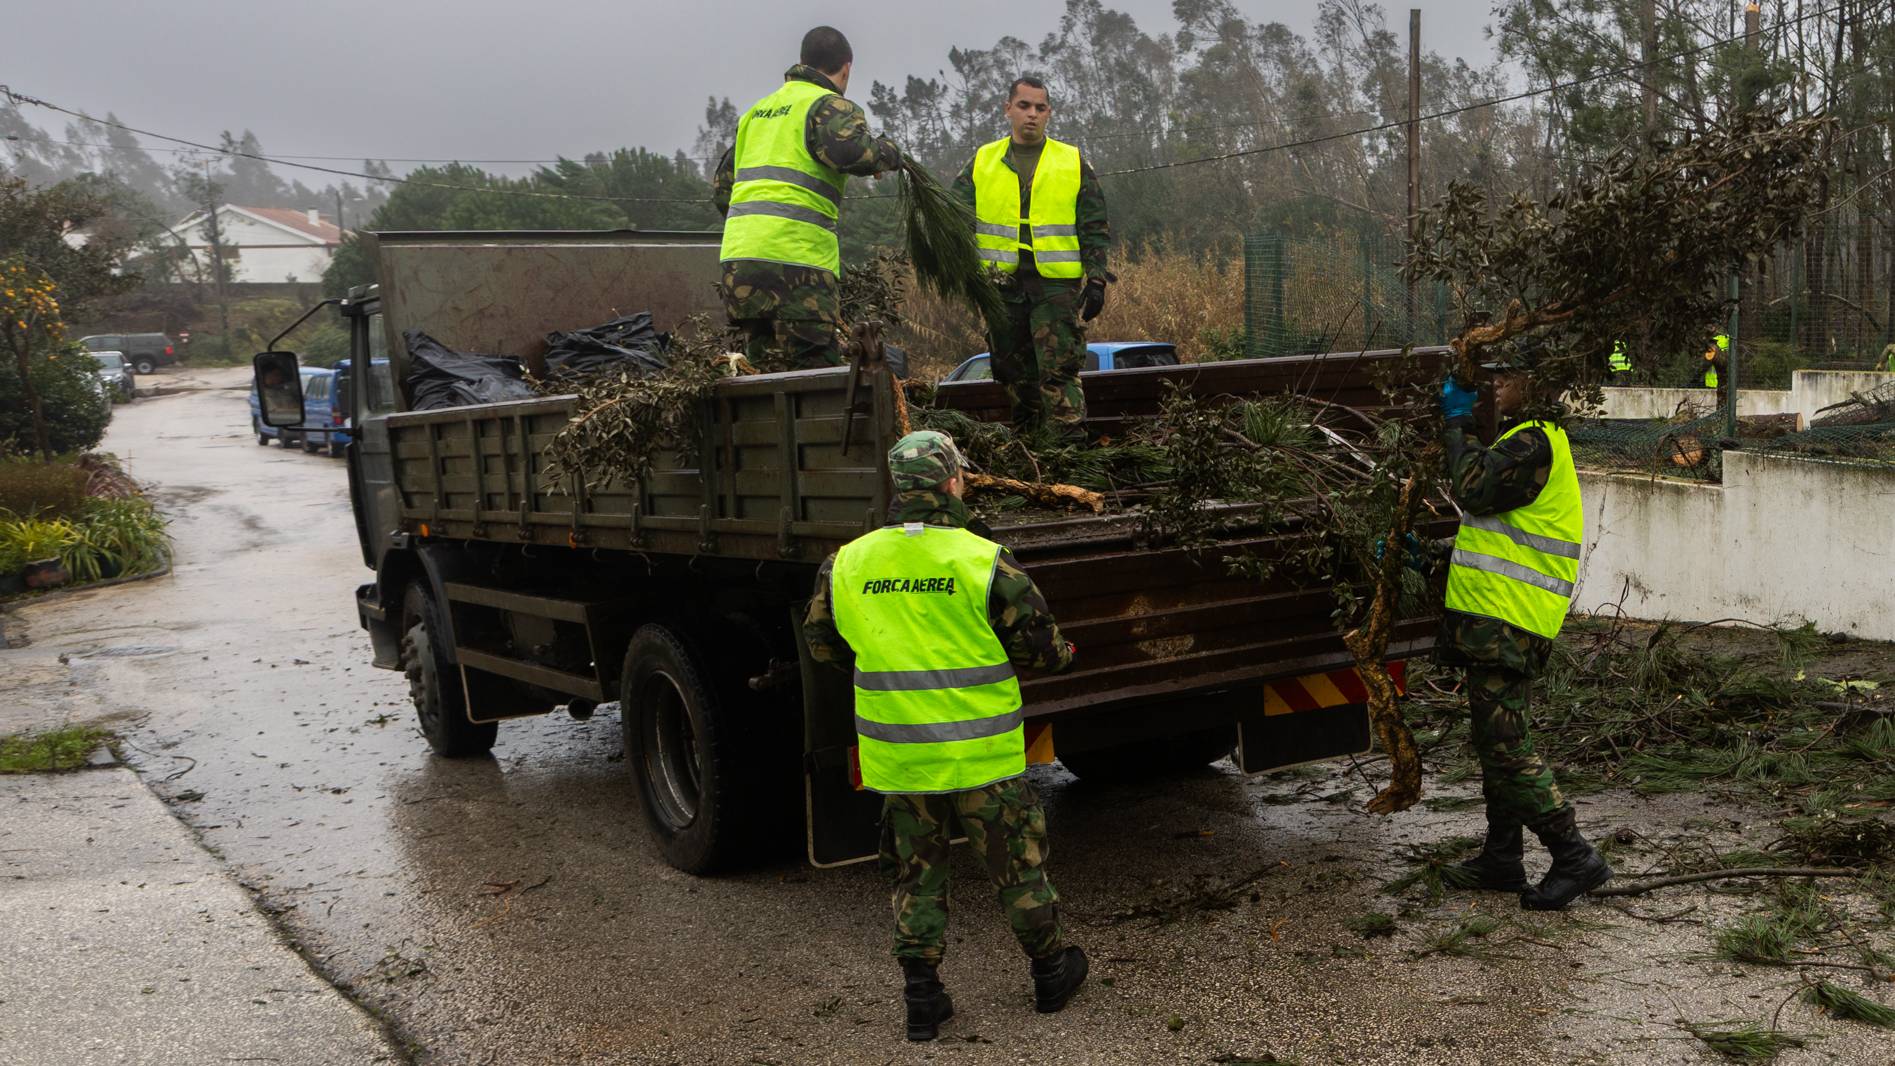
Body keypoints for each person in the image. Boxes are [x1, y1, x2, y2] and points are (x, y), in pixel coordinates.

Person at [802, 429, 1086, 1042]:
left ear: (899, 488)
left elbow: (822, 644)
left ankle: (923, 1000)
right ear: (953, 482)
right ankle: (1051, 973)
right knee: (1017, 866)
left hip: (901, 760)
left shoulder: (847, 562)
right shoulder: (982, 559)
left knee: (916, 875)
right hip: (982, 757)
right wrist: (1065, 653)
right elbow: (1041, 650)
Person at [1435, 345, 1612, 911]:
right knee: (1496, 745)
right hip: (1498, 621)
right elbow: (1495, 529)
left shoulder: (1534, 440)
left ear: (1536, 382)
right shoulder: (1529, 441)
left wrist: (1457, 420)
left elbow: (1472, 486)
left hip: (1508, 624)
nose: (1497, 384)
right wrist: (1431, 558)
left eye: (1507, 376)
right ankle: (1502, 857)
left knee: (1508, 749)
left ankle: (1574, 856)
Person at [713, 26, 903, 370]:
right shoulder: (828, 105)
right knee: (814, 378)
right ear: (846, 68)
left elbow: (722, 192)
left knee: (763, 377)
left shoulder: (755, 114)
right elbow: (853, 151)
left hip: (741, 265)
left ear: (803, 61)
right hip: (797, 266)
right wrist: (888, 151)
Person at [950, 76, 1110, 439]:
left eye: (1040, 107)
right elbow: (954, 218)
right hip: (1001, 287)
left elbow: (1094, 224)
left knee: (1058, 371)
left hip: (1055, 288)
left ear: (1049, 113)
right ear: (1008, 109)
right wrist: (963, 275)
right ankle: (1031, 450)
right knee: (1011, 373)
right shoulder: (982, 161)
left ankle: (1069, 451)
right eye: (1024, 106)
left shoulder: (1071, 161)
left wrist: (1097, 278)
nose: (1032, 115)